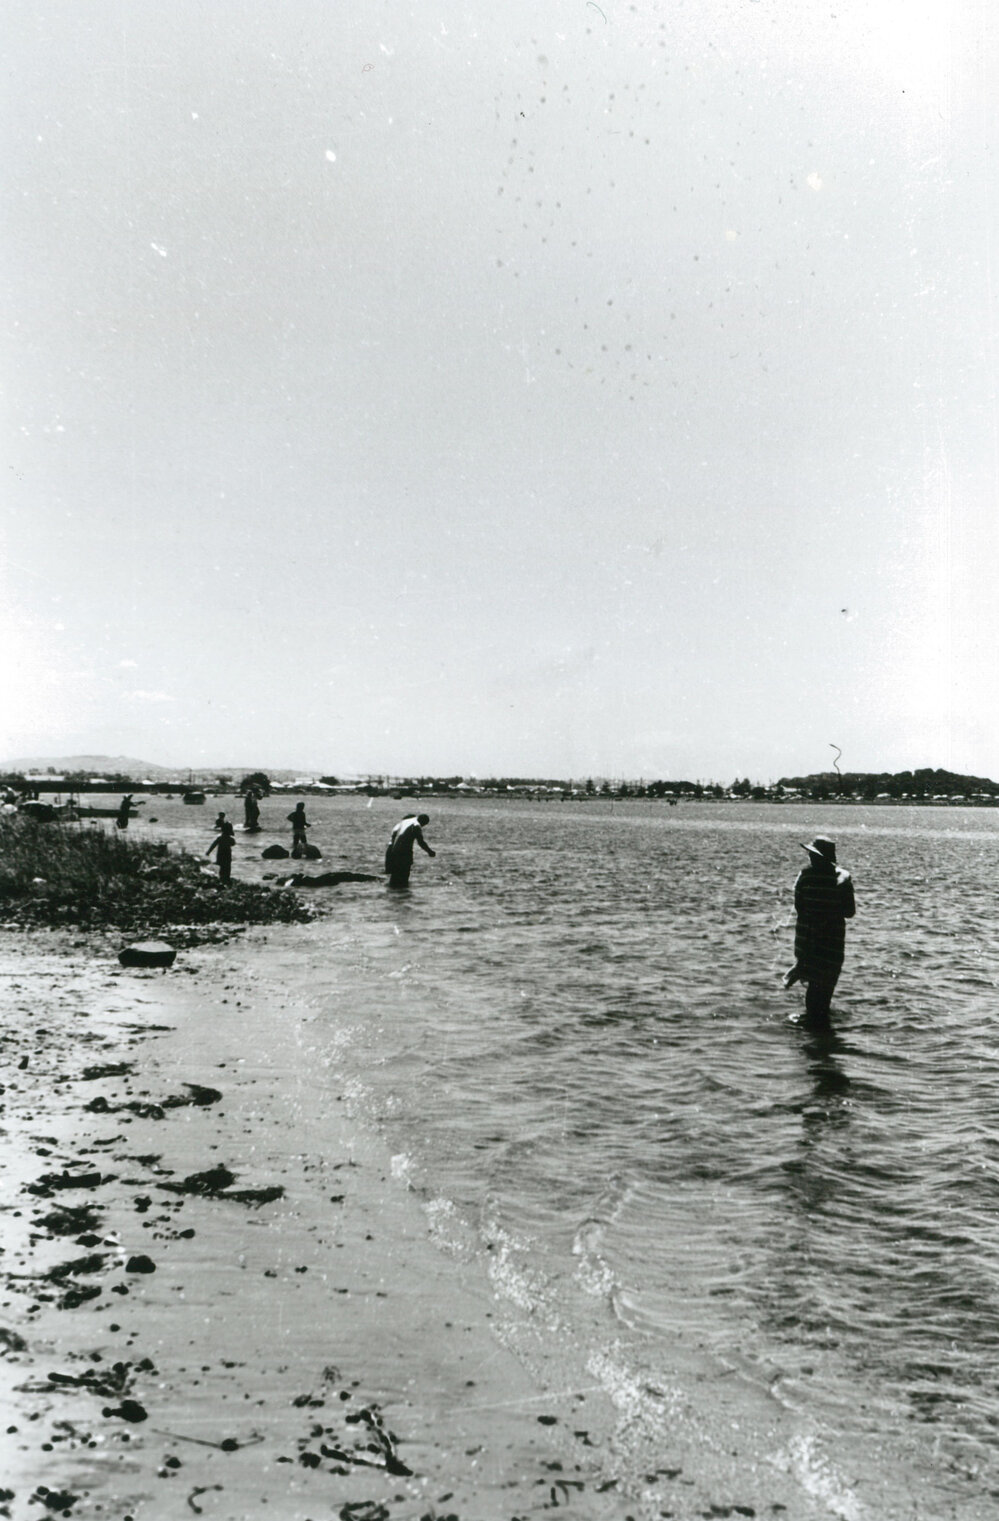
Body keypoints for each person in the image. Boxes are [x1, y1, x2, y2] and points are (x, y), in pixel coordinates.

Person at [787, 835, 856, 1019]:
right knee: (824, 993)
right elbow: (849, 912)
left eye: (812, 854)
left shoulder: (804, 876)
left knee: (813, 993)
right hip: (831, 946)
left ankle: (811, 1035)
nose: (810, 857)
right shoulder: (843, 878)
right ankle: (820, 1039)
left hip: (807, 944)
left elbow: (799, 906)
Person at [385, 812, 436, 889]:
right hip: (403, 852)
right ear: (423, 822)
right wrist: (430, 852)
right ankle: (403, 894)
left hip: (391, 850)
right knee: (404, 876)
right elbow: (420, 842)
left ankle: (392, 892)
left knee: (395, 875)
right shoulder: (416, 825)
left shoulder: (404, 821)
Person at [206, 820, 236, 885]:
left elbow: (213, 845)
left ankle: (222, 879)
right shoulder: (230, 839)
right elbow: (233, 843)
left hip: (220, 855)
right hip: (227, 856)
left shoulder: (220, 838)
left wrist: (208, 851)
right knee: (227, 868)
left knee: (222, 868)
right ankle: (227, 879)